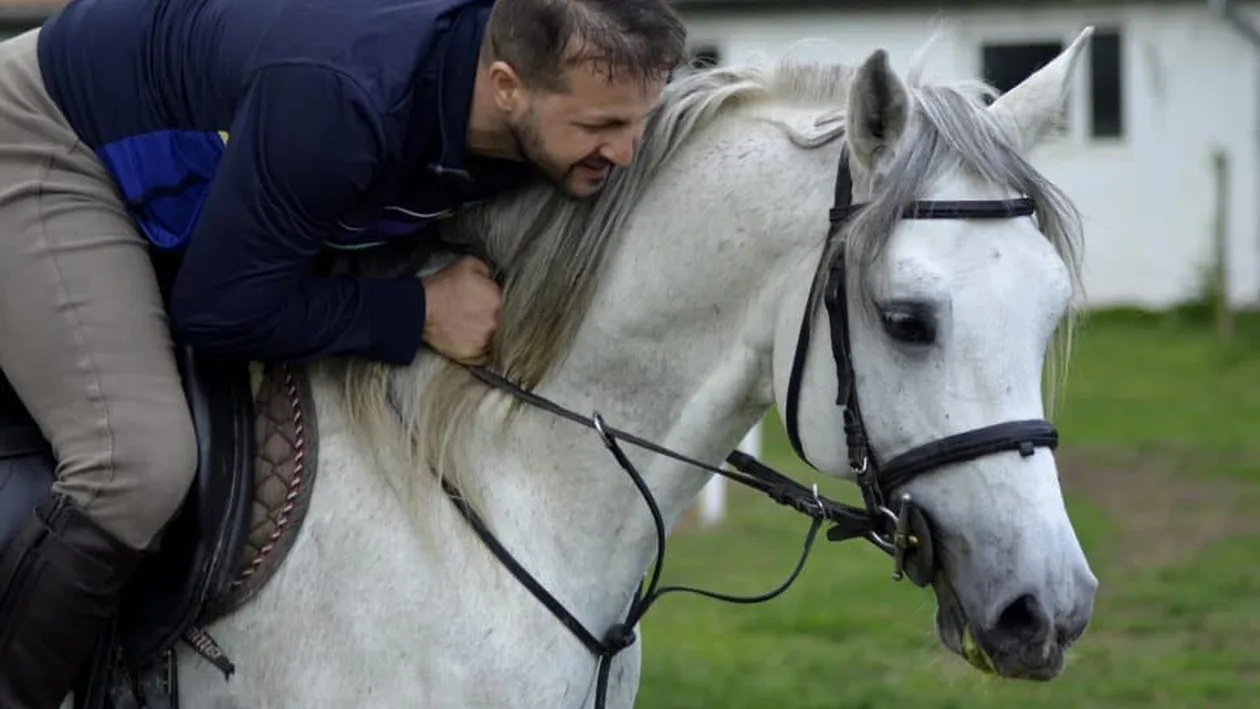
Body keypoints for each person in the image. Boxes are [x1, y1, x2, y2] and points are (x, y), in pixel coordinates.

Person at [0, 0, 687, 704]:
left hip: (227, 143)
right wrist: (419, 309)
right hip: (49, 134)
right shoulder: (345, 102)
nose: (625, 152)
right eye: (600, 127)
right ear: (507, 86)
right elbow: (217, 308)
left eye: (639, 121)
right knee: (137, 465)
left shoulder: (525, 102)